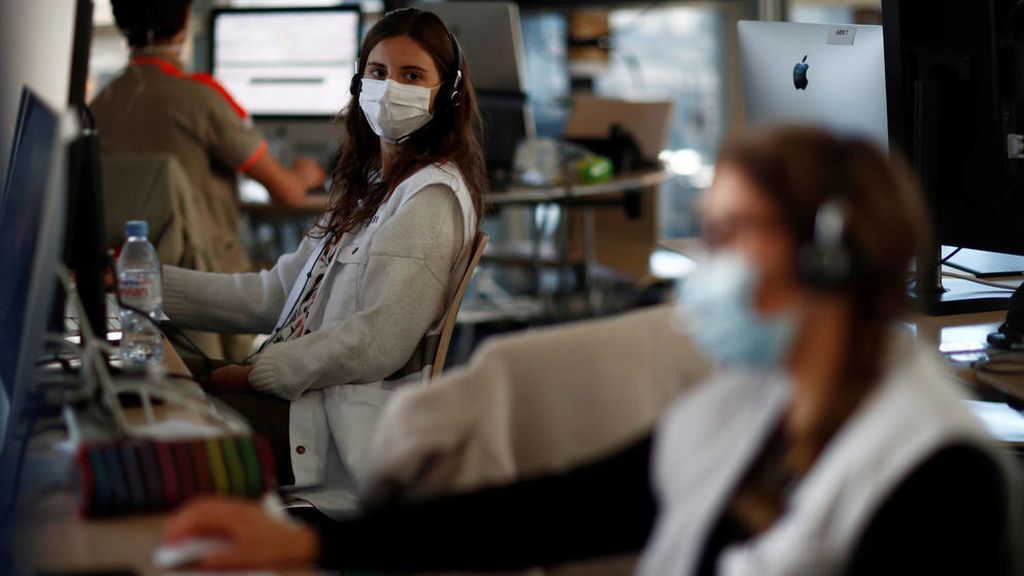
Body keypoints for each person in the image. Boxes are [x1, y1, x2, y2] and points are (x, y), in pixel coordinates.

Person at [163, 127, 1018, 574]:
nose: (706, 269)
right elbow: (558, 511)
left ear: (826, 258)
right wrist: (314, 548)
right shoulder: (752, 400)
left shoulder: (938, 476)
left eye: (730, 237)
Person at [155, 8, 487, 519]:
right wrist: (146, 286)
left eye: (411, 75)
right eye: (377, 73)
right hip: (297, 398)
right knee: (153, 388)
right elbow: (273, 296)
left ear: (446, 96)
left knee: (159, 437)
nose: (388, 87)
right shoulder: (369, 186)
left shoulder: (432, 198)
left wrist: (254, 375)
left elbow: (377, 344)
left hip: (328, 426)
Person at [91, 0, 326, 361]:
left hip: (127, 282)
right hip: (206, 280)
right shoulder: (202, 99)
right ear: (184, 21)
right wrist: (310, 172)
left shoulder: (100, 104)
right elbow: (289, 193)